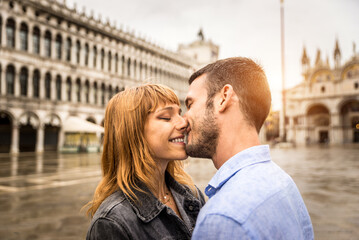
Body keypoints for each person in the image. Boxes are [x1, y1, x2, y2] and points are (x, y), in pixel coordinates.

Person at [184, 57, 314, 239]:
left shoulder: (222, 217)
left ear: (223, 98)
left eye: (190, 105)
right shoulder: (283, 182)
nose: (183, 119)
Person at [85, 84, 205, 240]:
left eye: (179, 114)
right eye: (166, 117)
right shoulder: (112, 222)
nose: (183, 123)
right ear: (133, 132)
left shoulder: (192, 195)